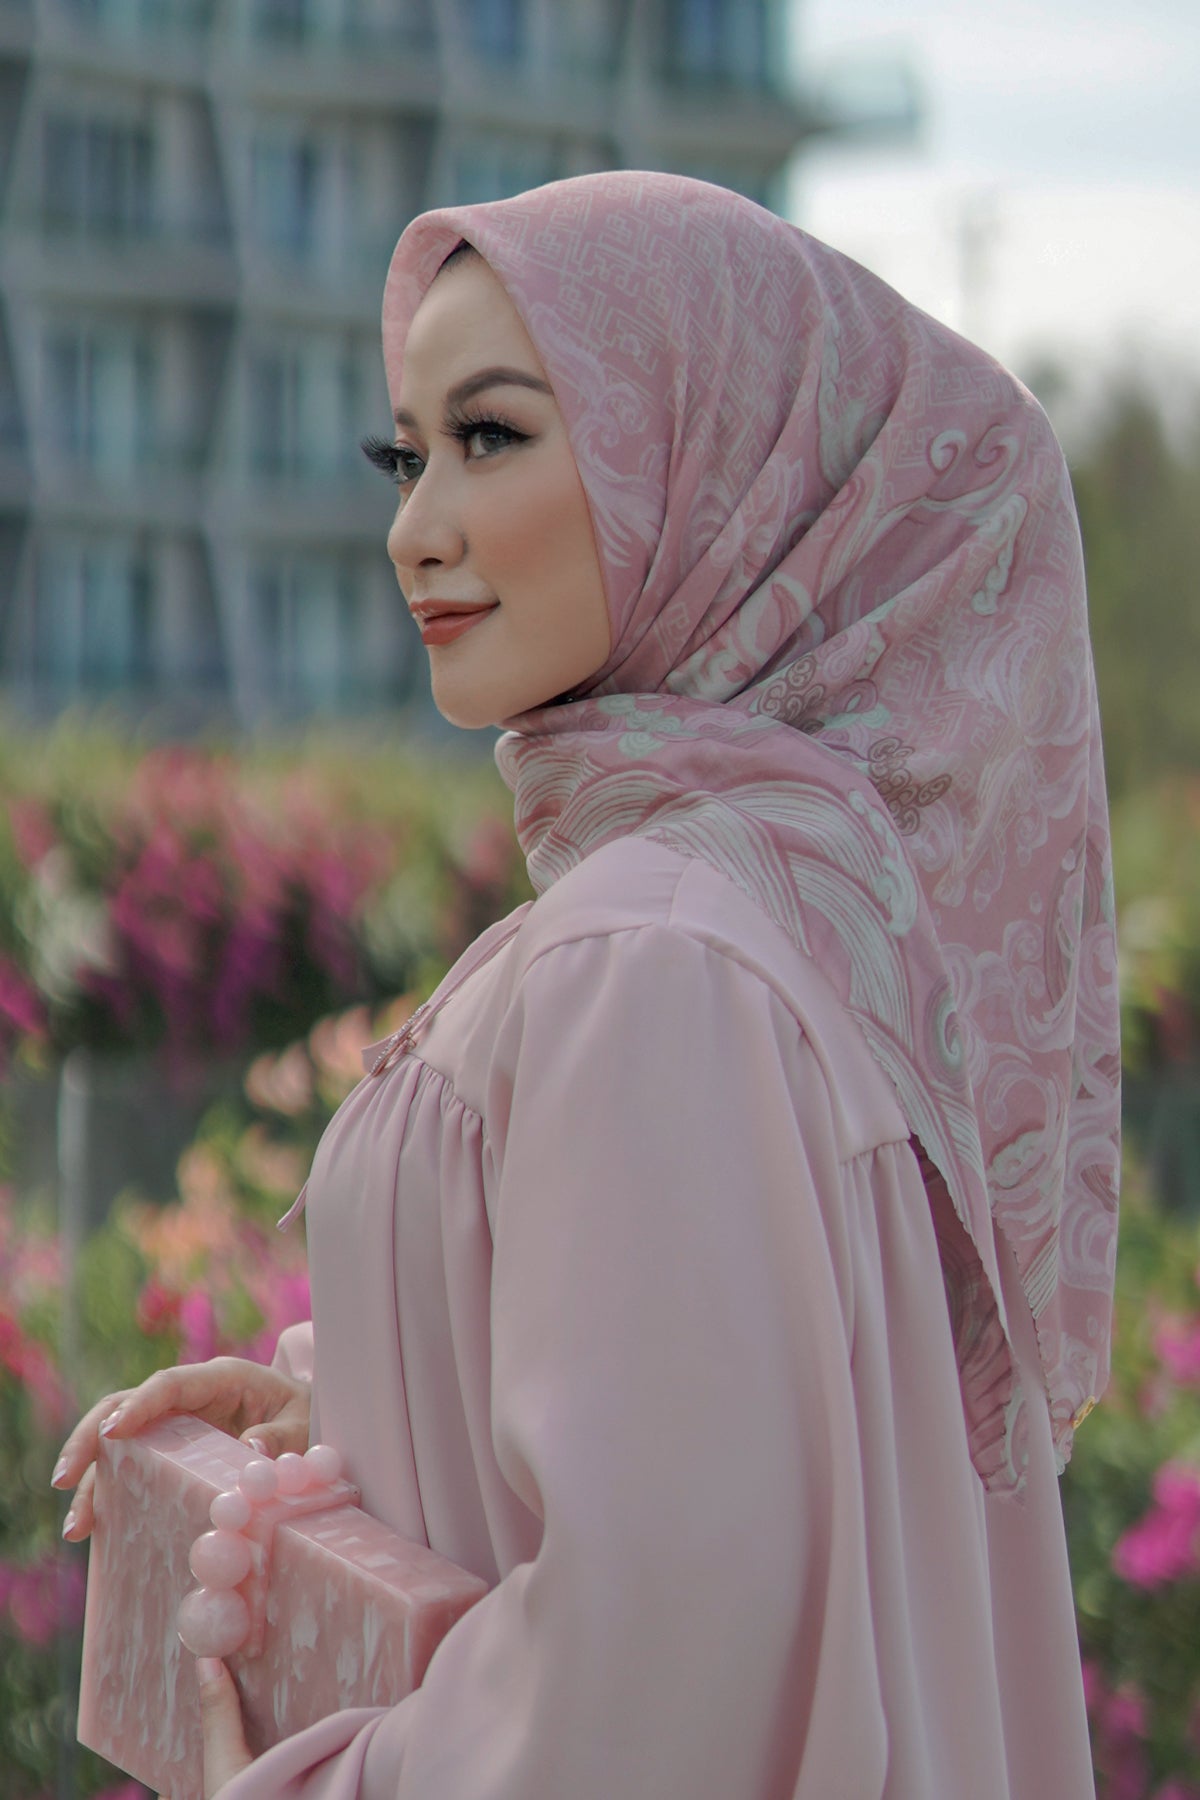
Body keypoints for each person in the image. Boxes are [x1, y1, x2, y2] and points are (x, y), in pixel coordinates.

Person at [54, 171, 1120, 1799]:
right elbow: (730, 1478)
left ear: (717, 470)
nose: (415, 529)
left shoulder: (657, 961)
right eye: (406, 456)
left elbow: (653, 1683)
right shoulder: (814, 927)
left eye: (492, 437)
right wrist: (361, 1410)